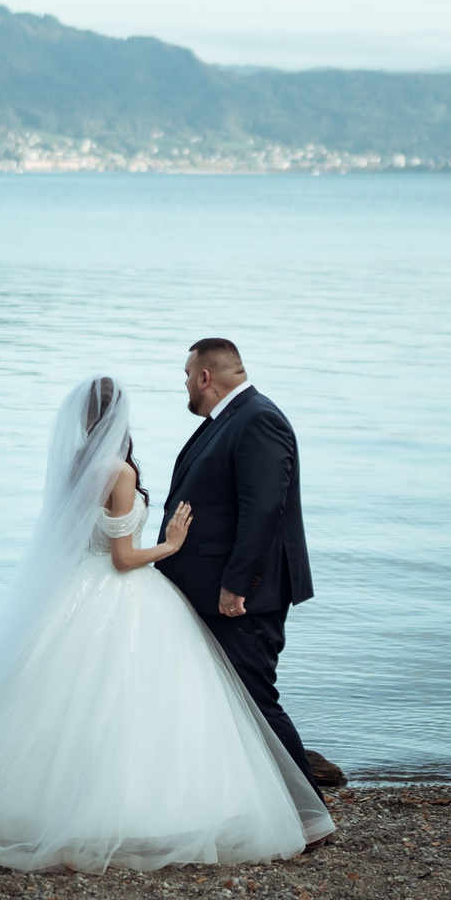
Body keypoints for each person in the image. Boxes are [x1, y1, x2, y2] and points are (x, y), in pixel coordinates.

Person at [0, 376, 332, 872]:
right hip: (119, 590)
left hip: (77, 594)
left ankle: (42, 800)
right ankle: (144, 808)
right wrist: (171, 546)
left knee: (70, 704)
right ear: (118, 417)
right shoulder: (121, 473)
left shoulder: (80, 466)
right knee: (135, 704)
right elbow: (123, 558)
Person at [158, 338, 327, 789]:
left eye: (187, 378)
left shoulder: (258, 419)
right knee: (231, 696)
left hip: (243, 593)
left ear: (205, 377)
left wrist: (238, 584)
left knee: (254, 697)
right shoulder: (230, 419)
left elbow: (264, 509)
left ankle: (305, 810)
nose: (186, 388)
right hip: (214, 586)